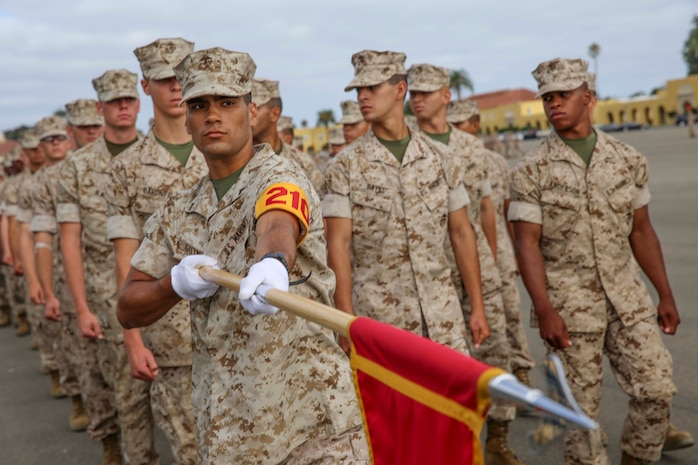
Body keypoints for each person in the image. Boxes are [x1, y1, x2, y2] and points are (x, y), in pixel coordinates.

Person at [116, 46, 366, 465]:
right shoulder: (176, 213)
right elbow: (127, 308)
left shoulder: (282, 177)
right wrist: (172, 284)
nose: (212, 115)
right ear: (188, 119)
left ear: (250, 113)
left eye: (227, 102)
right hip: (231, 429)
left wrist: (273, 262)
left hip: (312, 423)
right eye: (199, 105)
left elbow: (279, 218)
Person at [509, 57, 694, 465]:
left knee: (657, 390)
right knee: (580, 417)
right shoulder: (530, 171)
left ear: (588, 98)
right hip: (569, 309)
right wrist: (544, 309)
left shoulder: (627, 160)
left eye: (564, 95)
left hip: (628, 300)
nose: (554, 104)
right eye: (547, 98)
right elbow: (527, 245)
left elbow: (642, 231)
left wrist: (664, 293)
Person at [323, 50, 488, 359]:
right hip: (380, 320)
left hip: (443, 317)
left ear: (400, 90)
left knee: (451, 405)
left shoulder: (442, 158)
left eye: (372, 88)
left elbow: (462, 233)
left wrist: (477, 307)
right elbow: (338, 244)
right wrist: (343, 318)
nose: (363, 97)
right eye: (359, 90)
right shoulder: (344, 166)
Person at [407, 63, 523, 465]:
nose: (418, 99)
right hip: (431, 268)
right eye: (413, 92)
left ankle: (499, 437)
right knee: (444, 363)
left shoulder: (472, 148)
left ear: (446, 95)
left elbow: (486, 207)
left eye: (426, 91)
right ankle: (457, 441)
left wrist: (490, 261)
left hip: (476, 266)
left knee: (495, 351)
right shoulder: (409, 143)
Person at [101, 38, 201, 465]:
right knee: (193, 452)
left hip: (238, 330)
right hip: (170, 335)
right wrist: (133, 339)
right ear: (146, 86)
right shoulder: (125, 169)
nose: (176, 87)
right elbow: (127, 261)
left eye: (182, 77)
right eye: (164, 80)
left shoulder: (227, 150)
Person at [447, 99, 535, 390]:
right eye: (453, 124)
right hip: (471, 253)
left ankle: (521, 371)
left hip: (501, 251)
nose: (458, 129)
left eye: (462, 123)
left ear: (475, 125)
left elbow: (508, 211)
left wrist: (516, 256)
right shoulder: (446, 160)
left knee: (509, 315)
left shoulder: (495, 163)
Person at [31, 112, 91, 433]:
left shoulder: (90, 167)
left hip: (102, 269)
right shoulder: (40, 183)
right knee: (72, 342)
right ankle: (78, 397)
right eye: (49, 139)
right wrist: (41, 285)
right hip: (63, 269)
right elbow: (37, 237)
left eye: (59, 138)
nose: (56, 144)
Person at [251, 78, 325, 196]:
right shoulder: (225, 162)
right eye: (246, 108)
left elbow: (320, 208)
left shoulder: (303, 164)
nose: (249, 114)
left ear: (274, 114)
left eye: (256, 108)